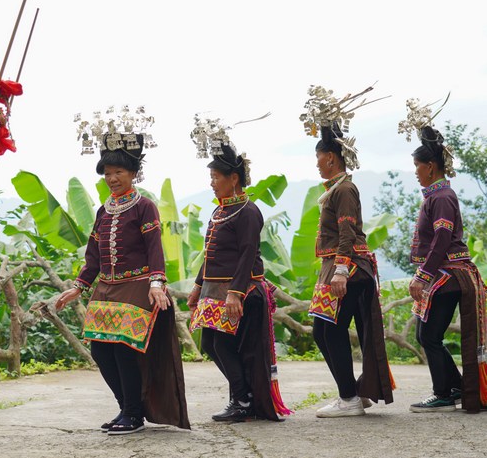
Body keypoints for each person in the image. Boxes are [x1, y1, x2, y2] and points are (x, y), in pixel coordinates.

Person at [56, 132, 190, 435]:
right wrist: (78, 286)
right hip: (105, 288)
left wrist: (157, 283)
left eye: (119, 172)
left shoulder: (145, 206)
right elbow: (93, 255)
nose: (112, 178)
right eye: (107, 173)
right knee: (101, 350)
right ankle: (127, 407)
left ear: (133, 173)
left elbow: (155, 247)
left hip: (136, 286)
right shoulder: (103, 211)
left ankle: (132, 413)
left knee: (124, 349)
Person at [186, 133, 290, 422]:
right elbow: (209, 254)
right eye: (211, 176)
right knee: (209, 344)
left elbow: (247, 254)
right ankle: (242, 394)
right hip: (213, 291)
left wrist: (236, 293)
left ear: (233, 178)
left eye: (216, 176)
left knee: (223, 345)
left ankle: (242, 399)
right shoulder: (220, 210)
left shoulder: (248, 211)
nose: (211, 182)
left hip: (237, 291)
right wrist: (197, 287)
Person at [309, 122, 395, 417]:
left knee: (330, 330)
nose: (317, 164)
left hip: (348, 268)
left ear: (331, 158)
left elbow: (348, 231)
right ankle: (353, 393)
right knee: (321, 332)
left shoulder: (344, 189)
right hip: (337, 266)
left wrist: (341, 270)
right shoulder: (337, 188)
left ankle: (349, 398)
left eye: (318, 158)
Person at [404, 118, 487, 413]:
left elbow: (441, 239)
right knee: (426, 334)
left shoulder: (442, 196)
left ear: (430, 166)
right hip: (446, 276)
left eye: (417, 166)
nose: (415, 172)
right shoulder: (438, 195)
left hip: (450, 276)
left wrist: (422, 276)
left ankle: (445, 392)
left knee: (428, 335)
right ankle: (452, 388)